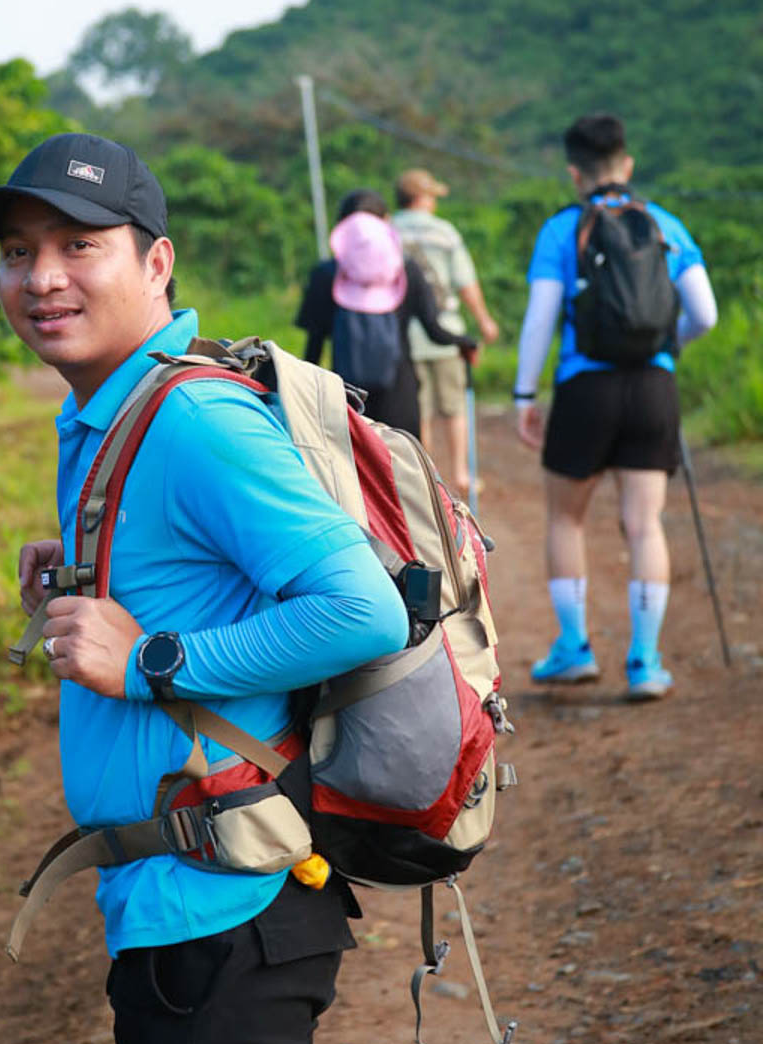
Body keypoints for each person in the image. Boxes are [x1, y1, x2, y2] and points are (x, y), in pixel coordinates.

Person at [0, 133, 410, 1044]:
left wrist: (147, 661)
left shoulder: (192, 420)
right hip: (177, 901)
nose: (41, 277)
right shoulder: (110, 412)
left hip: (229, 910)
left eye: (78, 245)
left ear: (156, 262)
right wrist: (85, 568)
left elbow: (362, 610)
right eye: (17, 252)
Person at [512, 113, 718, 700]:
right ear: (626, 164)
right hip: (654, 388)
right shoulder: (666, 225)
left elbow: (540, 320)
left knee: (565, 517)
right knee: (643, 523)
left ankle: (574, 648)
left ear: (575, 172)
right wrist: (666, 346)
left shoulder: (562, 229)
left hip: (585, 390)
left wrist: (526, 396)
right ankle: (646, 661)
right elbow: (705, 313)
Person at [295, 189, 476, 436]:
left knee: (352, 469)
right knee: (402, 468)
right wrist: (465, 343)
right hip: (400, 394)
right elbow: (435, 331)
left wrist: (302, 393)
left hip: (347, 396)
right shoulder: (407, 271)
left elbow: (314, 347)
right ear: (386, 223)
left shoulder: (326, 274)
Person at [392, 168, 499, 494]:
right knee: (453, 407)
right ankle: (461, 474)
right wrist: (483, 319)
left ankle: (424, 476)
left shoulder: (386, 231)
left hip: (402, 335)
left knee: (417, 409)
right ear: (422, 198)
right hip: (446, 332)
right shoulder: (444, 232)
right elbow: (465, 282)